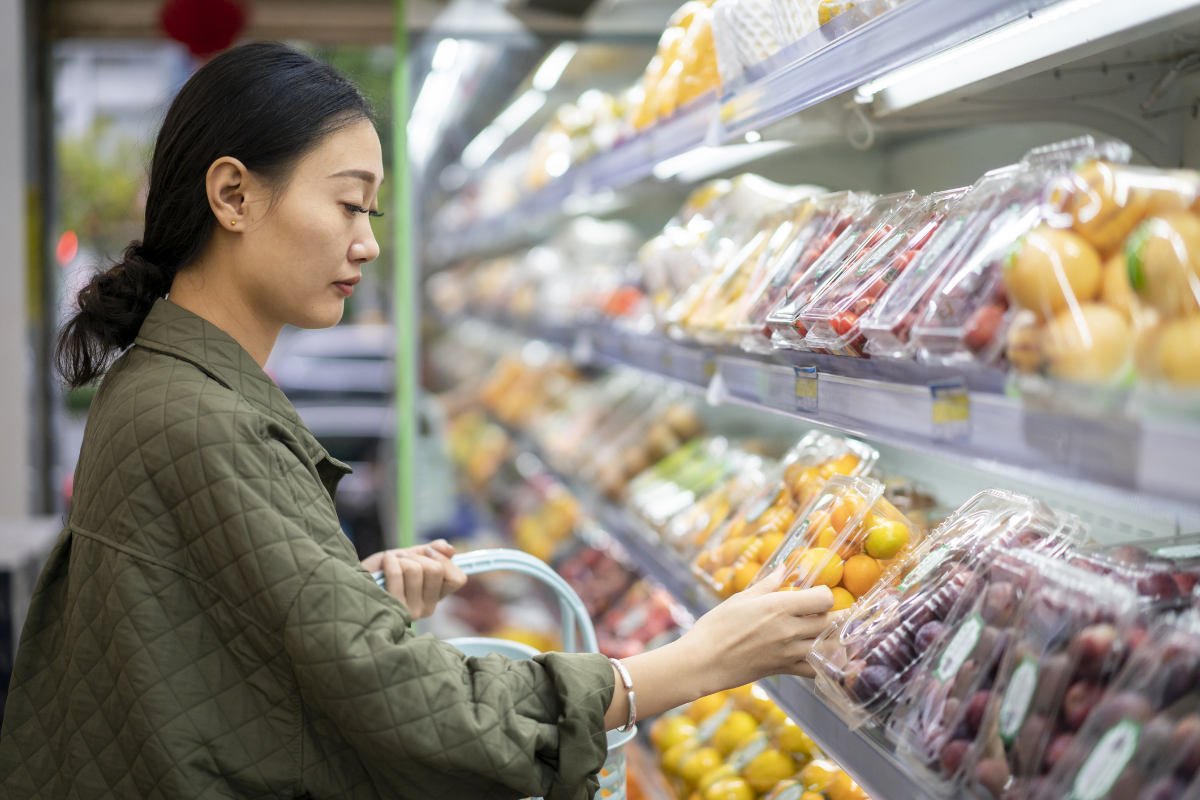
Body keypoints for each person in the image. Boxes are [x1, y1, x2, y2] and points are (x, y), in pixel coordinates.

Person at [0, 42, 833, 800]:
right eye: (349, 205)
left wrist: (343, 595)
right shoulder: (200, 420)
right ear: (232, 195)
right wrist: (696, 661)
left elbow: (208, 647)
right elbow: (425, 713)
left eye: (374, 214)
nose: (366, 244)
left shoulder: (164, 384)